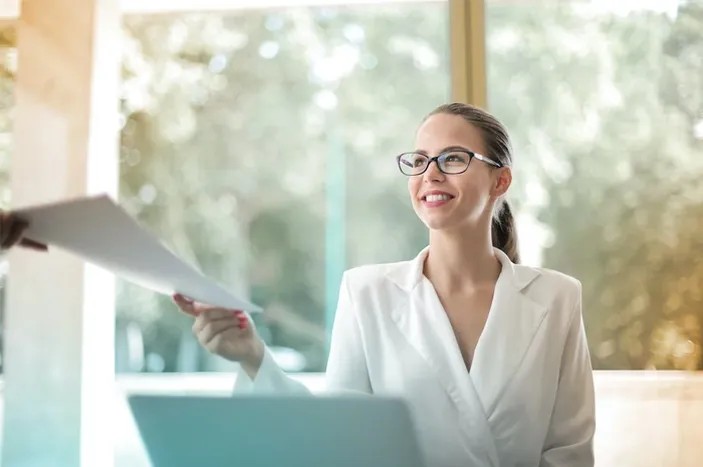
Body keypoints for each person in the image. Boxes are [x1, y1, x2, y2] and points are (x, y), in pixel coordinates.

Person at [2, 103, 595, 466]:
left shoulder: (555, 298)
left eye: (454, 158)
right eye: (418, 160)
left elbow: (568, 453)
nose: (430, 173)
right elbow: (337, 439)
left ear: (500, 182)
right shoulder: (368, 293)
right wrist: (253, 357)